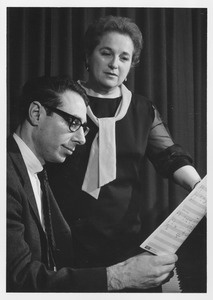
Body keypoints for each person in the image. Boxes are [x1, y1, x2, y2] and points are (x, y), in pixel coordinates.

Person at [46, 16, 203, 292]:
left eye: (124, 57)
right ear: (88, 55)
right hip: (65, 243)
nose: (114, 64)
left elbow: (170, 155)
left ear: (132, 65)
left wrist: (199, 187)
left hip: (125, 242)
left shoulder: (142, 109)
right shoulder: (63, 102)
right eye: (105, 53)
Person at [7, 76, 177, 292]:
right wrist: (120, 276)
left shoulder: (35, 169)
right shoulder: (6, 175)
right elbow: (18, 280)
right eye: (73, 123)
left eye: (83, 127)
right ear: (36, 113)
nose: (82, 139)